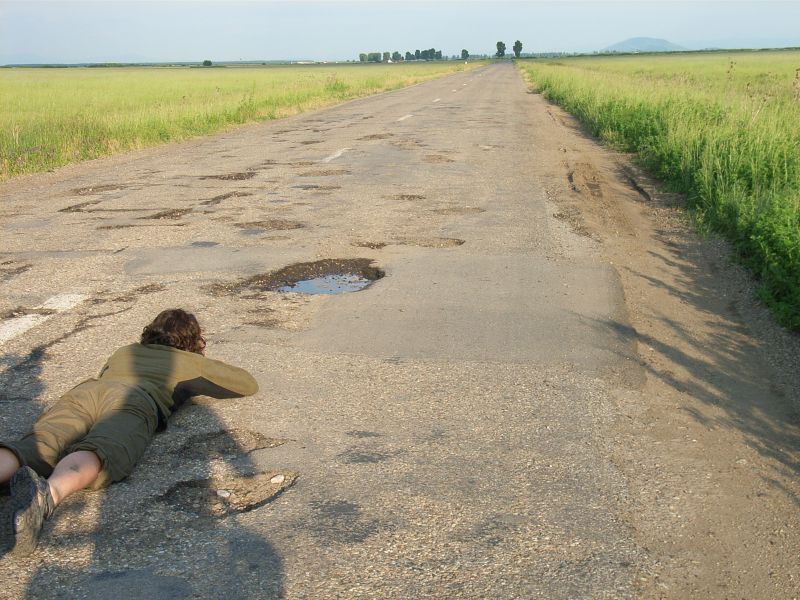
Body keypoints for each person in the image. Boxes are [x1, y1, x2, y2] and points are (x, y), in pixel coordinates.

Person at [0, 308, 258, 556]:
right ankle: (47, 497)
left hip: (87, 391)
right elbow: (247, 384)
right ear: (192, 340)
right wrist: (200, 355)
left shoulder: (126, 351)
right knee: (101, 448)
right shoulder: (190, 361)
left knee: (40, 442)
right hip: (134, 400)